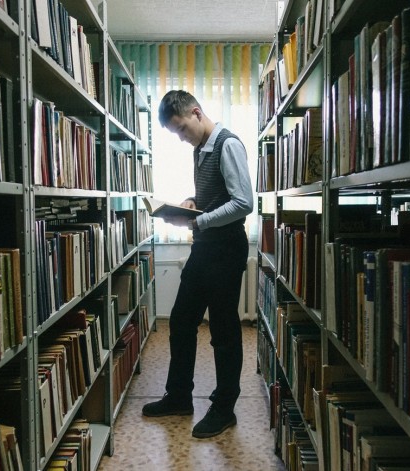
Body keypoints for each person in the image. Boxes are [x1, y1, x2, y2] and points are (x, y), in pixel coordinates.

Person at [142, 90, 254, 439]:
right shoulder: (200, 148)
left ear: (196, 112)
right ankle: (179, 397)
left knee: (223, 330)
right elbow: (215, 197)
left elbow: (243, 203)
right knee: (181, 320)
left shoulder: (227, 144)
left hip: (226, 248)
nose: (181, 137)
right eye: (175, 133)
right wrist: (192, 203)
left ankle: (224, 408)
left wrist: (198, 221)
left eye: (181, 129)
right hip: (205, 247)